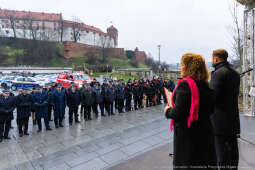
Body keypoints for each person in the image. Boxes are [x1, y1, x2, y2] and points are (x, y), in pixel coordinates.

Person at [164, 53, 216, 169]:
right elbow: (210, 109)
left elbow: (178, 113)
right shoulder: (207, 86)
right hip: (205, 134)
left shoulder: (184, 85)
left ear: (189, 67)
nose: (180, 67)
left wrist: (167, 110)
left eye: (182, 65)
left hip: (188, 138)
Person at [210, 49, 240, 170]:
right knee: (233, 151)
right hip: (233, 118)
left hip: (219, 121)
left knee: (221, 153)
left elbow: (212, 97)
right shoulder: (235, 73)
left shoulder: (218, 74)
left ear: (216, 59)